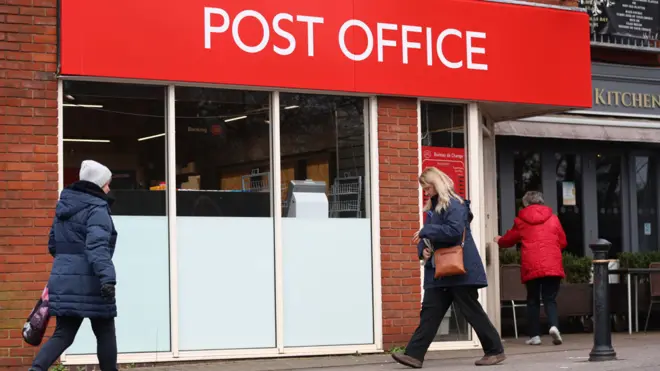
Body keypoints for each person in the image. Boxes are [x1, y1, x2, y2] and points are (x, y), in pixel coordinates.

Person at [392, 167, 506, 368]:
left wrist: (426, 230)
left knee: (471, 311)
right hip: (440, 270)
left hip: (460, 269)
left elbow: (454, 231)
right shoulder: (434, 207)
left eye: (427, 187)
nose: (425, 192)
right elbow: (428, 237)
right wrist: (422, 251)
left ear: (436, 183)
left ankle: (495, 350)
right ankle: (414, 355)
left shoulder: (456, 204)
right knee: (430, 312)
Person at [30, 160, 118, 371]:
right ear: (98, 184)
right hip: (93, 281)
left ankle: (36, 370)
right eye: (107, 184)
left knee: (63, 334)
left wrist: (69, 265)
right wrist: (108, 279)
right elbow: (98, 248)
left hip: (64, 280)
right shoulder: (97, 208)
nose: (109, 189)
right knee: (105, 332)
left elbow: (53, 244)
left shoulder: (64, 206)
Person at [494, 191, 567, 346]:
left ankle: (535, 336)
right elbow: (563, 241)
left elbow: (510, 239)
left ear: (525, 203)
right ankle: (554, 326)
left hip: (532, 264)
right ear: (541, 202)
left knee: (532, 300)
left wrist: (500, 240)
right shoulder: (553, 218)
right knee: (550, 299)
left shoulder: (521, 220)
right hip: (552, 264)